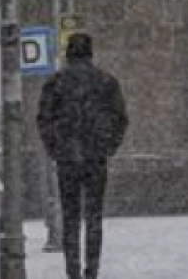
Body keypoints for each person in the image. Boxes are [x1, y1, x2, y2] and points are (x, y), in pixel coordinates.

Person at [37, 33, 128, 279]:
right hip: (95, 159)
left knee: (71, 218)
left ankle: (73, 270)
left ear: (68, 53)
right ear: (90, 53)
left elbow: (43, 120)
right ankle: (92, 270)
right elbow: (120, 119)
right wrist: (107, 148)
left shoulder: (56, 83)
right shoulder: (107, 83)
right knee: (94, 217)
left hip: (67, 160)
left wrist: (56, 149)